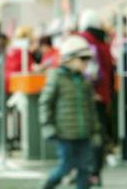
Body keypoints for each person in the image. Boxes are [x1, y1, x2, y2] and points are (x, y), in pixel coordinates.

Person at [39, 35, 101, 189]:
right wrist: (48, 125)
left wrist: (96, 130)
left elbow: (91, 109)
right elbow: (45, 102)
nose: (86, 64)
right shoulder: (56, 77)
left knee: (84, 169)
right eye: (82, 59)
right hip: (65, 134)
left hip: (84, 134)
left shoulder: (85, 82)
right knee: (65, 167)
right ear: (69, 59)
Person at [79, 9, 113, 185]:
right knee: (98, 134)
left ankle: (88, 172)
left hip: (89, 95)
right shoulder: (103, 40)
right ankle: (95, 172)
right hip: (103, 93)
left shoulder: (83, 39)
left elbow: (87, 70)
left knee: (86, 134)